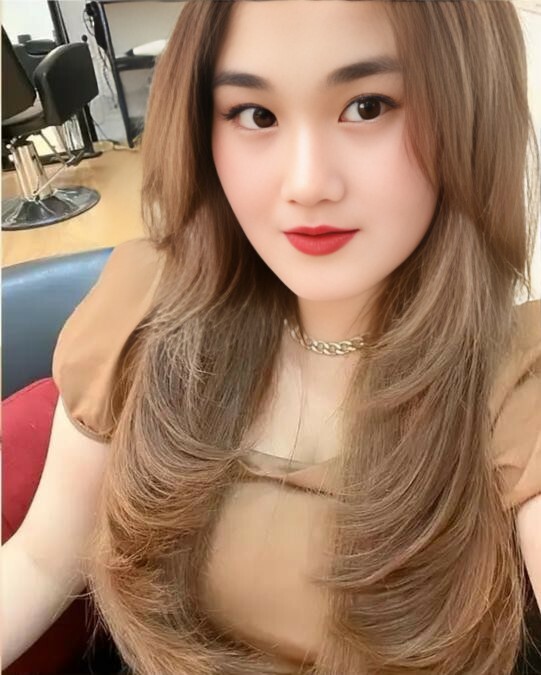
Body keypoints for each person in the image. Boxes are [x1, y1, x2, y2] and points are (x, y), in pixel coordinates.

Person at [3, 1, 541, 673]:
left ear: (470, 116)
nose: (306, 184)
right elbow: (41, 561)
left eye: (368, 106)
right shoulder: (147, 309)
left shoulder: (514, 377)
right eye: (255, 115)